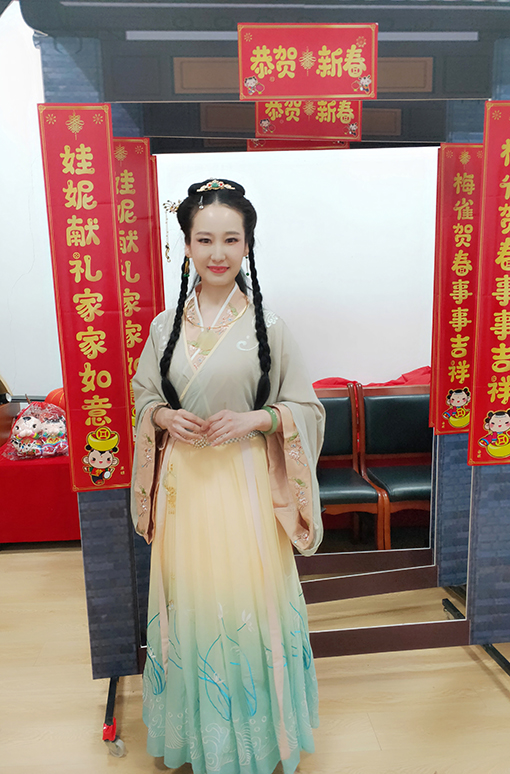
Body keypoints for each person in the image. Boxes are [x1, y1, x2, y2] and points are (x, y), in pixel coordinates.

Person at [131, 178, 325, 774]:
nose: (218, 253)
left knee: (248, 603)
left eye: (231, 239)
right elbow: (142, 395)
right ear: (187, 245)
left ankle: (261, 738)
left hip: (245, 485)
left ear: (248, 245)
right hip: (184, 488)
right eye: (205, 239)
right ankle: (202, 737)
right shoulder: (164, 327)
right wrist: (162, 416)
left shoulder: (271, 326)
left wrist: (259, 418)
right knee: (192, 600)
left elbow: (307, 407)